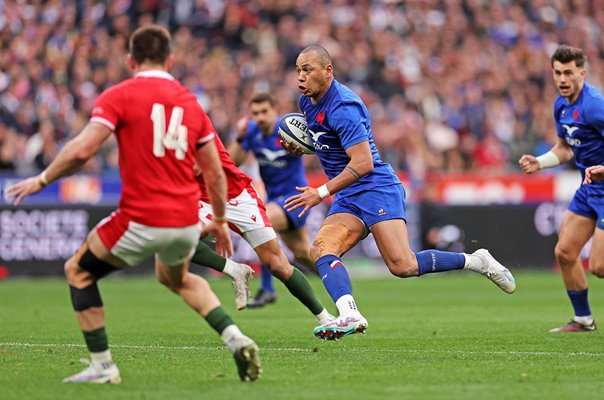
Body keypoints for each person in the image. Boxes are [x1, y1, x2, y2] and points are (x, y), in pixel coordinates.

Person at [6, 25, 261, 382]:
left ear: (130, 60)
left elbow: (83, 149)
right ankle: (236, 339)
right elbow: (215, 173)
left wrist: (42, 178)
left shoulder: (121, 94)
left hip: (141, 217)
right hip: (186, 219)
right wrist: (218, 219)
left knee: (77, 271)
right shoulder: (190, 102)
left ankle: (103, 367)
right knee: (178, 278)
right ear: (170, 59)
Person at [282, 45, 516, 341]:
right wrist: (302, 147)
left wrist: (321, 191)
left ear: (328, 71)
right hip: (348, 195)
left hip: (375, 188)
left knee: (403, 265)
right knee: (321, 249)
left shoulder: (344, 106)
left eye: (307, 70)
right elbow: (331, 144)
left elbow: (364, 162)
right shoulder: (307, 102)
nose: (300, 77)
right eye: (298, 70)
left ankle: (477, 261)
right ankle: (350, 313)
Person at [189, 133, 334, 325]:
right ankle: (236, 270)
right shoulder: (153, 125)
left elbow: (198, 166)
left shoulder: (192, 118)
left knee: (278, 264)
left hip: (238, 195)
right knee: (179, 240)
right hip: (201, 199)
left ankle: (325, 317)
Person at [519, 44, 604, 333]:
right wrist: (540, 162)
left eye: (568, 72)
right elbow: (566, 148)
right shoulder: (561, 104)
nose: (562, 79)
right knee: (566, 253)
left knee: (600, 267)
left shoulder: (594, 106)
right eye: (557, 73)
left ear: (582, 72)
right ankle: (583, 319)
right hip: (589, 189)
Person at [226, 92, 317, 308]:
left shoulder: (288, 130)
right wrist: (239, 137)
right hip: (276, 199)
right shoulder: (251, 131)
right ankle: (340, 281)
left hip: (296, 197)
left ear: (275, 110)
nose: (260, 117)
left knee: (261, 221)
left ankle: (267, 289)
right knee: (304, 254)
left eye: (264, 111)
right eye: (255, 113)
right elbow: (231, 163)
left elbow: (313, 148)